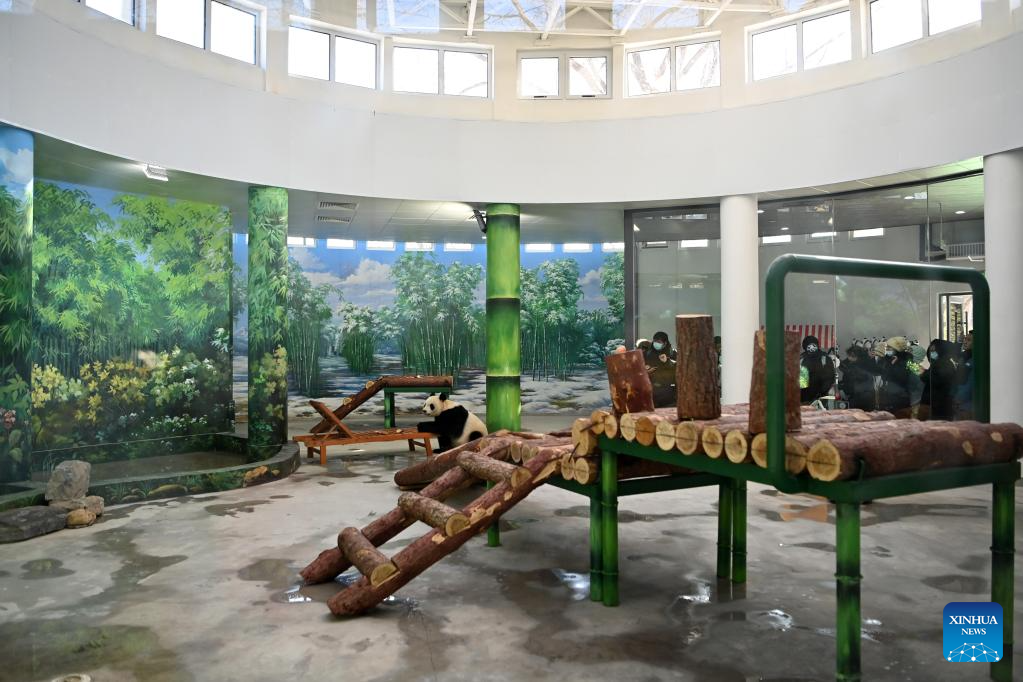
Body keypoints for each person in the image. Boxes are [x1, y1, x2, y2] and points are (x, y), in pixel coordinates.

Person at [920, 338, 960, 420]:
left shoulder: (945, 364)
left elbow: (936, 379)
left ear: (941, 350)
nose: (932, 353)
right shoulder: (938, 363)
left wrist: (923, 373)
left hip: (939, 406)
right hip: (934, 405)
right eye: (931, 351)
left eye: (934, 351)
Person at [877, 336, 915, 418]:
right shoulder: (888, 359)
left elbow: (903, 377)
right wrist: (890, 365)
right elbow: (884, 376)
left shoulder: (908, 360)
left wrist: (893, 366)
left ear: (897, 349)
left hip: (901, 398)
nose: (887, 349)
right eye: (887, 347)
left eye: (890, 348)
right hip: (888, 397)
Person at [838, 344, 880, 411]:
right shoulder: (858, 362)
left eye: (849, 355)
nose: (848, 357)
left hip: (860, 397)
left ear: (855, 356)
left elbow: (853, 380)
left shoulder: (860, 366)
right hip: (864, 396)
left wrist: (842, 387)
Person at [644, 331, 676, 407]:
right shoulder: (647, 354)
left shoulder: (672, 353)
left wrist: (667, 362)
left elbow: (678, 369)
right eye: (655, 341)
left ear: (665, 343)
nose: (656, 344)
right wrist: (646, 371)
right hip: (652, 393)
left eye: (659, 342)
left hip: (669, 393)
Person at [800, 335, 836, 404]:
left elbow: (830, 377)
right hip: (804, 397)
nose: (812, 348)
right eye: (809, 345)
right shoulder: (801, 358)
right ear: (805, 346)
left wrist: (822, 393)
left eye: (813, 345)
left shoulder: (824, 358)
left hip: (820, 397)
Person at [956, 330, 974, 419]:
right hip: (963, 405)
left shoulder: (972, 361)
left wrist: (959, 398)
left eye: (969, 340)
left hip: (967, 406)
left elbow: (970, 383)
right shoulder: (966, 357)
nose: (965, 342)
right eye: (965, 339)